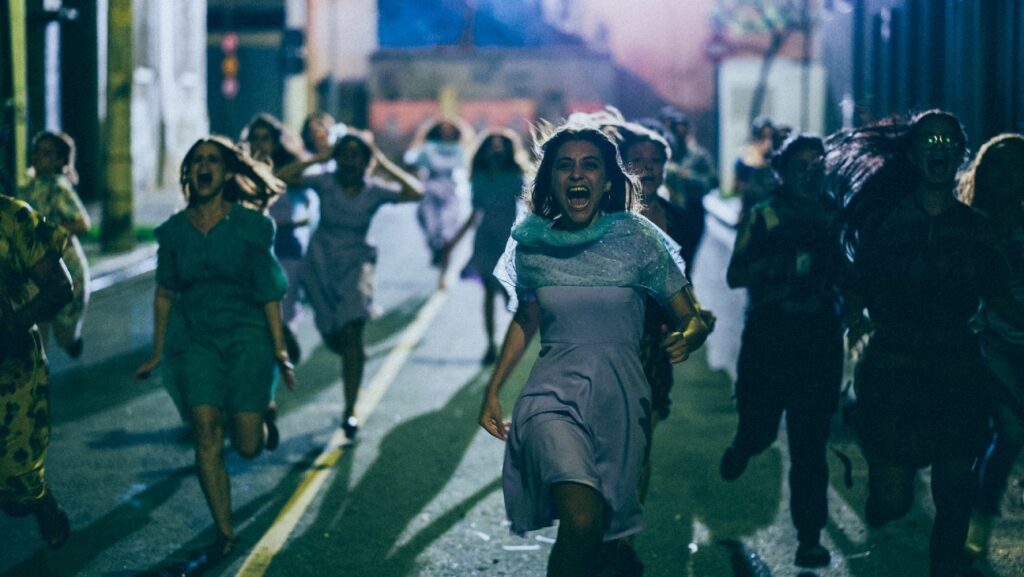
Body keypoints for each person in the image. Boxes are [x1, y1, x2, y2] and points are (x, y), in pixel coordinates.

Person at [478, 119, 711, 577]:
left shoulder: (638, 240)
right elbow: (526, 318)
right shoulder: (533, 245)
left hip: (621, 400)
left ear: (607, 180)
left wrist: (687, 337)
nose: (577, 174)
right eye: (565, 166)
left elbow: (692, 318)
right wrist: (493, 390)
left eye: (589, 165)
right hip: (551, 398)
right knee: (582, 520)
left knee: (600, 528)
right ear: (551, 180)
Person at [830, 110, 1024, 577]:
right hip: (894, 367)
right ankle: (870, 445)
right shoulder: (881, 221)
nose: (938, 147)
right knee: (891, 504)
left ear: (960, 155)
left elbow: (1001, 298)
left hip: (955, 366)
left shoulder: (978, 229)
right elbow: (855, 279)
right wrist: (856, 315)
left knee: (954, 498)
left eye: (948, 140)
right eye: (928, 139)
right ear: (913, 153)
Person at [134, 136, 297, 561]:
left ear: (226, 173)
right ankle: (224, 530)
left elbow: (269, 292)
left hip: (248, 340)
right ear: (189, 174)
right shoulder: (172, 232)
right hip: (196, 340)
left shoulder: (253, 226)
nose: (204, 167)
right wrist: (156, 351)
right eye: (196, 162)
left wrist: (280, 353)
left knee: (247, 447)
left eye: (212, 161)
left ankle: (263, 411)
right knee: (205, 431)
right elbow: (165, 294)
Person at [720, 133, 847, 568]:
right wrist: (785, 265)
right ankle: (743, 445)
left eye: (819, 166)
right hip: (770, 339)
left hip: (818, 339)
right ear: (783, 173)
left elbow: (852, 273)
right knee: (760, 429)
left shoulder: (836, 216)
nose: (811, 175)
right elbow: (735, 274)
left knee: (810, 444)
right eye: (801, 167)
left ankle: (809, 537)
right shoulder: (764, 216)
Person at [278, 130, 423, 440]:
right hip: (320, 261)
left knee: (352, 329)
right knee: (333, 335)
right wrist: (319, 158)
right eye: (344, 153)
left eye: (357, 153)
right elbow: (282, 176)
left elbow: (415, 193)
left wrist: (383, 162)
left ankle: (350, 410)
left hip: (357, 261)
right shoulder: (324, 183)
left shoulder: (373, 189)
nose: (350, 159)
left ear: (365, 160)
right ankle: (350, 354)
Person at [614, 121, 716, 506]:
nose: (648, 167)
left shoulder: (681, 219)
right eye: (637, 160)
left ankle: (624, 537)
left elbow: (681, 281)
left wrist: (694, 317)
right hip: (607, 341)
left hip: (653, 342)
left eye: (655, 160)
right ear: (621, 166)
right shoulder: (599, 217)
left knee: (640, 440)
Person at [955, 133, 1024, 557]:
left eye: (1016, 164)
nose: (1007, 173)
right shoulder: (967, 224)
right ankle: (976, 522)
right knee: (1011, 433)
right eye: (997, 164)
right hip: (987, 342)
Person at [0, 194, 73, 549]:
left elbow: (60, 286)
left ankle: (41, 502)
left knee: (16, 493)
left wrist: (15, 322)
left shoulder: (12, 217)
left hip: (9, 371)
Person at [445, 128, 529, 364]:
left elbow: (531, 205)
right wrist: (453, 242)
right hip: (485, 239)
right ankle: (491, 344)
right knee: (489, 291)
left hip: (508, 240)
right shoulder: (479, 177)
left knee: (505, 290)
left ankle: (509, 340)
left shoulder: (515, 176)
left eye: (500, 143)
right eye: (491, 143)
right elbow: (475, 213)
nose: (496, 147)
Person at [242, 113, 318, 364]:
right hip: (257, 242)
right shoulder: (242, 171)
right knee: (259, 300)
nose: (261, 144)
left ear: (276, 140)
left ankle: (286, 334)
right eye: (255, 138)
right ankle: (270, 347)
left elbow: (289, 176)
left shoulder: (294, 167)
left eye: (266, 138)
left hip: (289, 239)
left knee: (287, 297)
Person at [17, 130, 90, 358]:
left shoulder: (58, 187)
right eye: (37, 152)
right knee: (38, 327)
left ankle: (73, 342)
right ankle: (37, 379)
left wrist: (50, 233)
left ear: (60, 160)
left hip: (67, 269)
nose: (39, 157)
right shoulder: (30, 185)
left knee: (63, 334)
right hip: (38, 271)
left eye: (47, 154)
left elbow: (82, 223)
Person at [404, 116, 473, 289]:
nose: (446, 132)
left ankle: (443, 273)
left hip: (451, 193)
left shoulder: (459, 150)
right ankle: (436, 252)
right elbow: (411, 162)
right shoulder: (428, 149)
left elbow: (466, 168)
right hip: (430, 191)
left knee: (448, 234)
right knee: (430, 227)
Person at [658, 106, 718, 269]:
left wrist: (687, 176)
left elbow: (712, 182)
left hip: (692, 211)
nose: (678, 135)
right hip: (669, 211)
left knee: (687, 261)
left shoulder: (698, 156)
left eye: (682, 131)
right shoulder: (662, 154)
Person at [734, 116, 778, 214]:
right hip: (751, 211)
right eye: (762, 137)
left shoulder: (776, 160)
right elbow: (737, 187)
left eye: (770, 137)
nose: (767, 142)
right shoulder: (744, 160)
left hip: (771, 214)